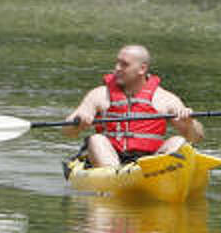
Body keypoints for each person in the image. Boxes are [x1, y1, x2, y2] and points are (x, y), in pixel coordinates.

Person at [63, 44, 203, 167]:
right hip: (108, 158)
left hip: (149, 162)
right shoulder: (99, 95)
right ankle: (116, 178)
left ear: (142, 69)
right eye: (117, 63)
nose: (117, 68)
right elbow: (67, 131)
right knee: (96, 139)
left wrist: (190, 123)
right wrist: (79, 121)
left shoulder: (166, 99)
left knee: (179, 142)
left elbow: (195, 138)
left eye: (124, 64)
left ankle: (156, 175)